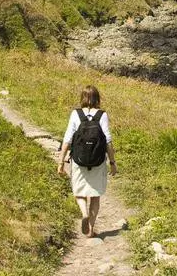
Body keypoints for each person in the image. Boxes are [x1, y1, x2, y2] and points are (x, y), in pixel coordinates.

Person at [58, 85, 117, 238]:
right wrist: (112, 163)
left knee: (79, 192)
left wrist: (61, 163)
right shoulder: (102, 115)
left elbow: (67, 140)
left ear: (82, 98)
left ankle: (84, 213)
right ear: (97, 98)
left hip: (79, 160)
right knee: (95, 195)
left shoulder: (75, 114)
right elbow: (108, 141)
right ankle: (90, 229)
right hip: (97, 161)